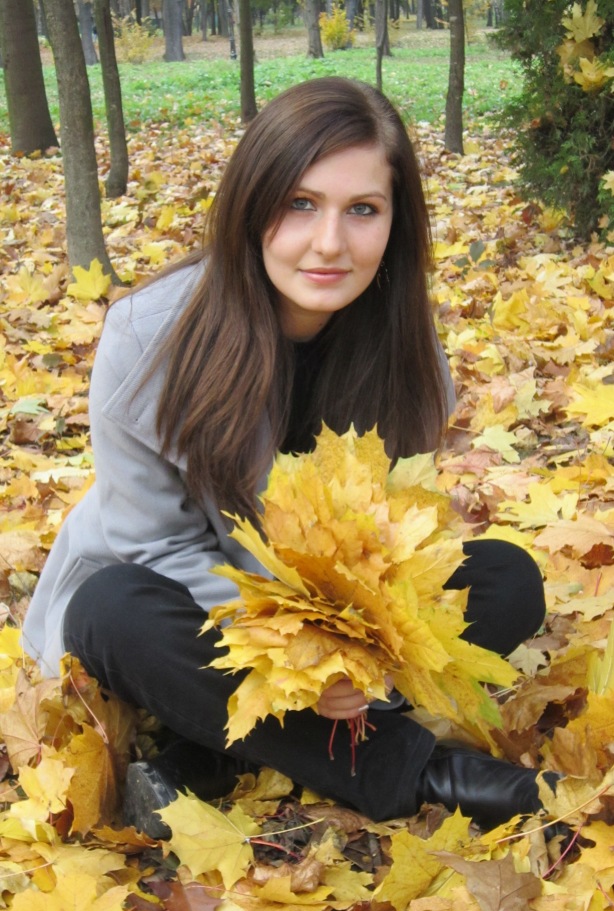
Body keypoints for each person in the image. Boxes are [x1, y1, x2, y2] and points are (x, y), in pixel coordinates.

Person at [22, 77, 557, 837]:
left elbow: (384, 544)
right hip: (186, 619)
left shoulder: (408, 354)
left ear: (396, 223)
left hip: (332, 621)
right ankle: (432, 773)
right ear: (252, 203)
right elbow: (157, 545)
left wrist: (359, 650)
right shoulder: (148, 340)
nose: (329, 242)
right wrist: (303, 654)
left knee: (508, 577)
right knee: (109, 610)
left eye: (362, 210)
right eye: (301, 203)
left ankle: (213, 757)